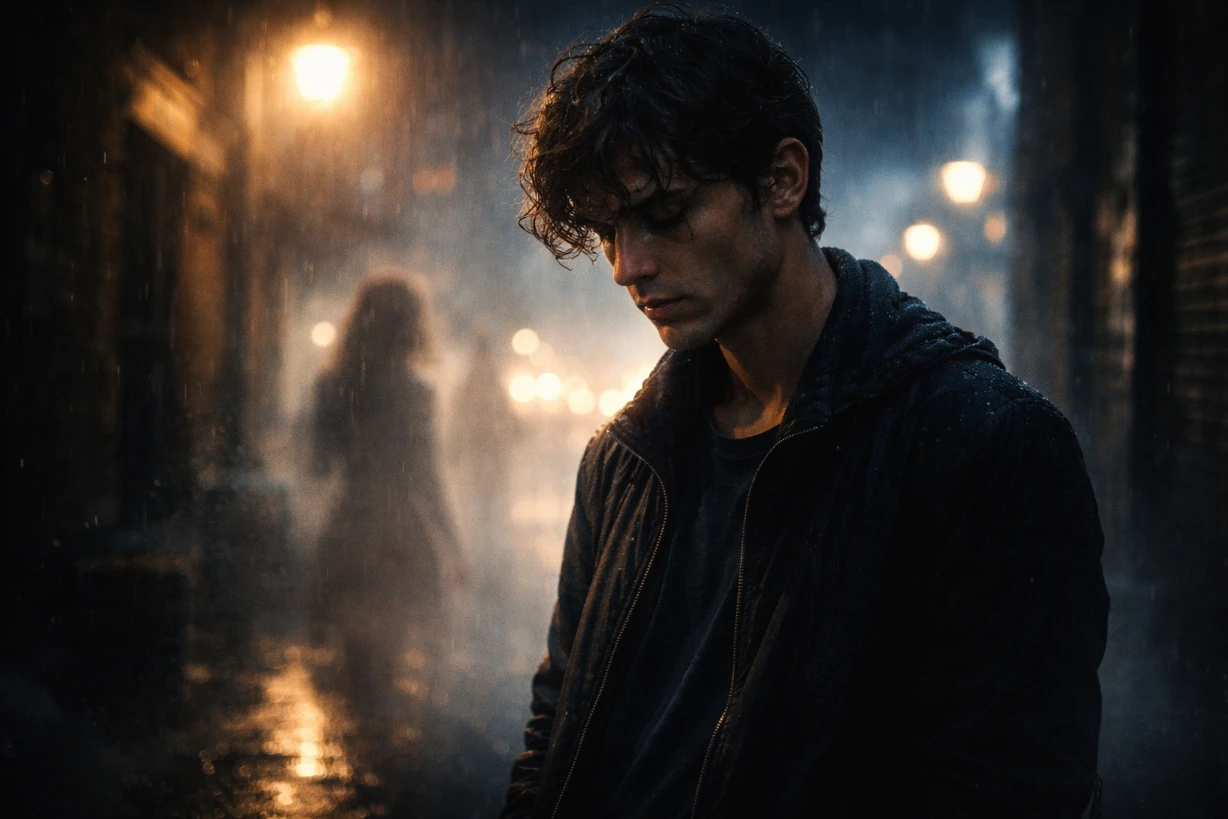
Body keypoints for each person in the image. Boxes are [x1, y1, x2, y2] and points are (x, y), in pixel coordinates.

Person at [501, 6, 1108, 818]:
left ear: (783, 179)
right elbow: (557, 735)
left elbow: (1009, 787)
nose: (626, 266)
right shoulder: (627, 456)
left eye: (666, 214)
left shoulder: (985, 444)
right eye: (610, 229)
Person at [310, 275, 462, 709]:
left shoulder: (333, 386)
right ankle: (381, 751)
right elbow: (427, 476)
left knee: (355, 648)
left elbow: (319, 465)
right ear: (412, 327)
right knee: (390, 642)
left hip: (351, 522)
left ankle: (359, 740)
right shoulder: (417, 394)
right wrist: (452, 544)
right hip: (400, 530)